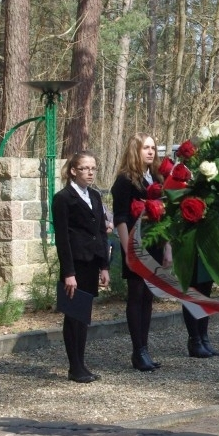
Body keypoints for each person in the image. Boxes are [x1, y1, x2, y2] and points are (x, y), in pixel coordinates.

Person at [52, 150, 110, 383]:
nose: (90, 173)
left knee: (84, 315)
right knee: (73, 314)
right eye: (85, 168)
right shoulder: (64, 198)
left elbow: (101, 232)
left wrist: (104, 265)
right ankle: (74, 366)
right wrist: (68, 273)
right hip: (75, 264)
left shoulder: (94, 196)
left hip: (92, 263)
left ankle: (82, 363)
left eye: (93, 168)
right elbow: (62, 239)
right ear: (74, 171)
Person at [111, 133, 166, 370]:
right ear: (136, 150)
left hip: (154, 243)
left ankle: (145, 349)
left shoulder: (155, 177)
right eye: (146, 148)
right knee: (136, 295)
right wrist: (128, 251)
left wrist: (167, 250)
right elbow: (120, 219)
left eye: (153, 147)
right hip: (134, 244)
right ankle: (138, 351)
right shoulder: (125, 180)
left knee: (148, 297)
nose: (151, 151)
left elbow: (164, 217)